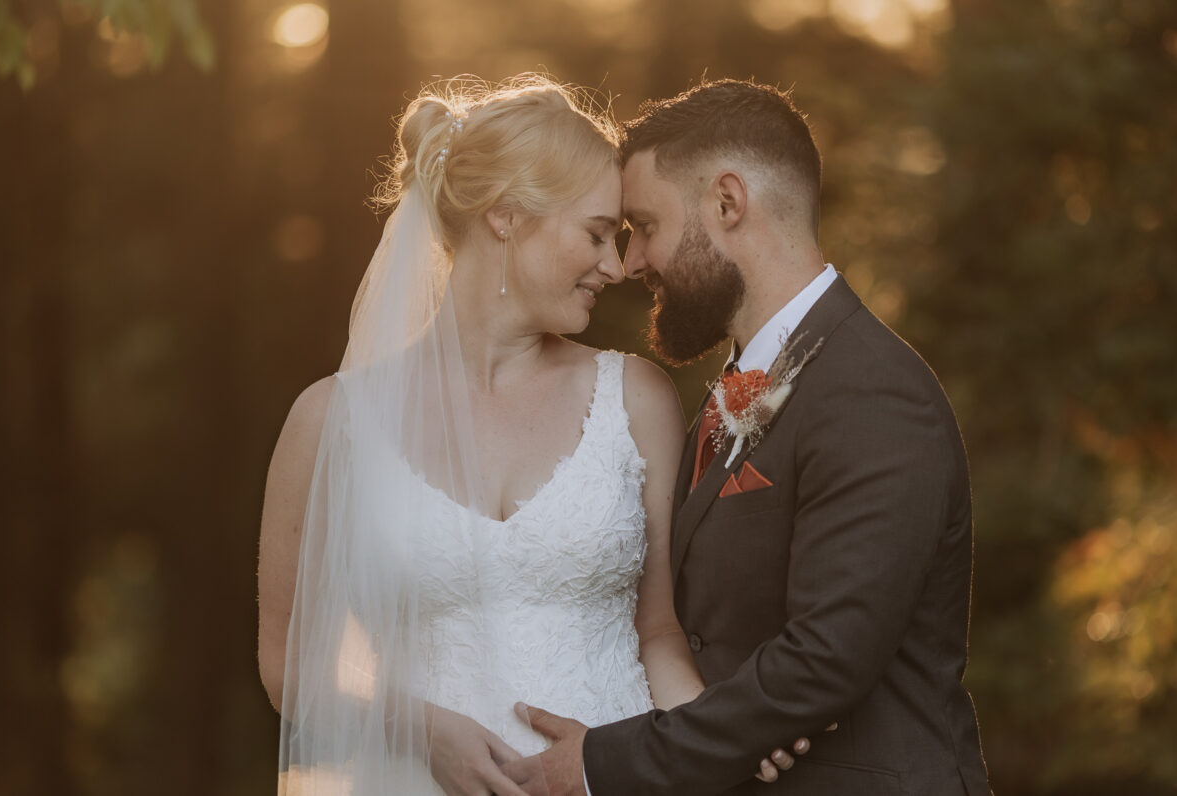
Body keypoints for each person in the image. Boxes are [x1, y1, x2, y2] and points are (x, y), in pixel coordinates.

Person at [256, 75, 806, 796]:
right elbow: (288, 663)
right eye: (596, 234)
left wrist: (726, 732)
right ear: (506, 216)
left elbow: (662, 634)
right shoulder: (333, 422)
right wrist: (420, 730)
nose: (616, 266)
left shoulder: (633, 399)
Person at [506, 79, 992, 795]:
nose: (631, 262)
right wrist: (742, 731)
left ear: (727, 204)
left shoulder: (872, 392)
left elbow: (825, 661)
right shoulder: (743, 390)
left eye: (644, 225)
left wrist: (596, 764)